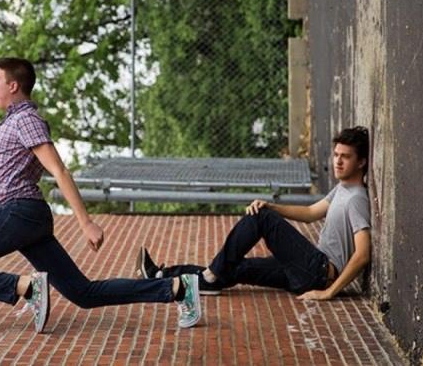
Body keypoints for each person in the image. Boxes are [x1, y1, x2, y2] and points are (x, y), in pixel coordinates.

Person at [0, 57, 201, 333]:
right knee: (83, 293)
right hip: (25, 219)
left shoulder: (26, 120)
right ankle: (177, 288)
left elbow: (59, 169)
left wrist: (86, 222)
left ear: (13, 86)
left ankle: (26, 287)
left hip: (17, 212)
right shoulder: (4, 127)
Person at [136, 126, 371, 300]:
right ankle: (162, 276)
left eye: (345, 157)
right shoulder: (341, 189)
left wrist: (329, 293)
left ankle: (211, 275)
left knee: (260, 217)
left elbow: (362, 254)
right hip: (305, 271)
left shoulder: (356, 199)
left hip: (319, 272)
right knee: (236, 267)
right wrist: (272, 206)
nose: (338, 161)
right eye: (336, 155)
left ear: (361, 162)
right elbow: (311, 212)